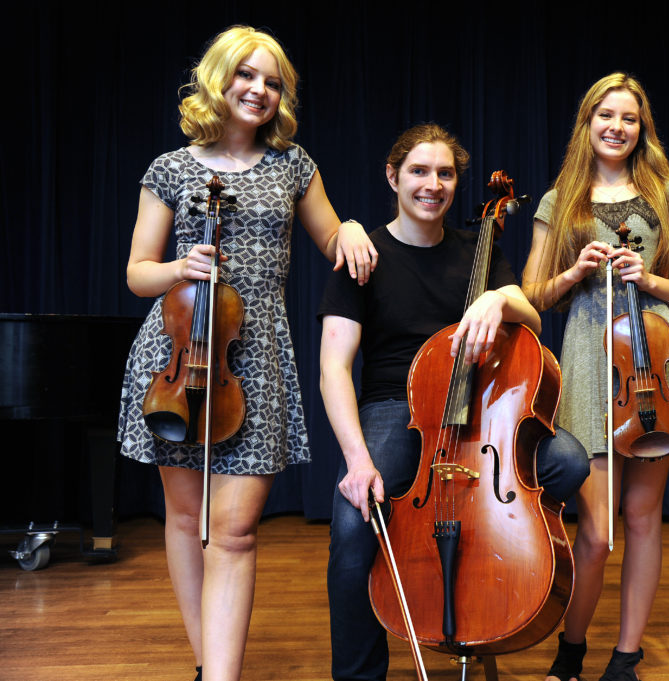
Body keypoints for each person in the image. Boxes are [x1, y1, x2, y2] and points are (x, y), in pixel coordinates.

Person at [118, 26, 375, 681]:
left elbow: (332, 241)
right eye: (247, 76)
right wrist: (180, 265)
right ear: (219, 79)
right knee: (183, 516)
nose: (260, 90)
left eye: (272, 81)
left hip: (255, 360)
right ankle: (210, 665)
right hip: (174, 355)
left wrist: (347, 225)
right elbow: (137, 273)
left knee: (232, 531)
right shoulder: (170, 168)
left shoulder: (295, 165)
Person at [319, 123, 590, 681]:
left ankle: (486, 574)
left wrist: (499, 299)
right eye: (419, 171)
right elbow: (333, 368)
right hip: (399, 407)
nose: (433, 184)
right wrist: (356, 461)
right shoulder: (363, 254)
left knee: (568, 461)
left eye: (445, 173)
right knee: (352, 527)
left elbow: (531, 316)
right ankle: (358, 674)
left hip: (484, 408)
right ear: (393, 177)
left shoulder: (479, 250)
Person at [522, 73, 669, 681]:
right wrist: (575, 271)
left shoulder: (664, 190)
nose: (616, 127)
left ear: (641, 128)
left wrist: (647, 278)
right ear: (587, 122)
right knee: (596, 534)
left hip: (654, 360)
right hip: (587, 361)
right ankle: (571, 651)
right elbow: (533, 296)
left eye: (628, 118)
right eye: (605, 115)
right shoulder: (560, 200)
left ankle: (626, 656)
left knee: (644, 517)